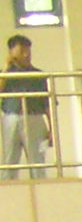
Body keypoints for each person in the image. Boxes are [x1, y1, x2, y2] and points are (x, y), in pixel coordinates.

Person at [2, 34, 51, 177]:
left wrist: (51, 129)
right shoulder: (4, 75)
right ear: (11, 52)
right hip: (11, 118)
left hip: (34, 118)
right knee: (9, 160)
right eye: (21, 51)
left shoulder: (38, 75)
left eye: (28, 51)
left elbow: (47, 104)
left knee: (37, 161)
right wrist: (6, 69)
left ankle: (40, 186)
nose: (26, 55)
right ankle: (8, 188)